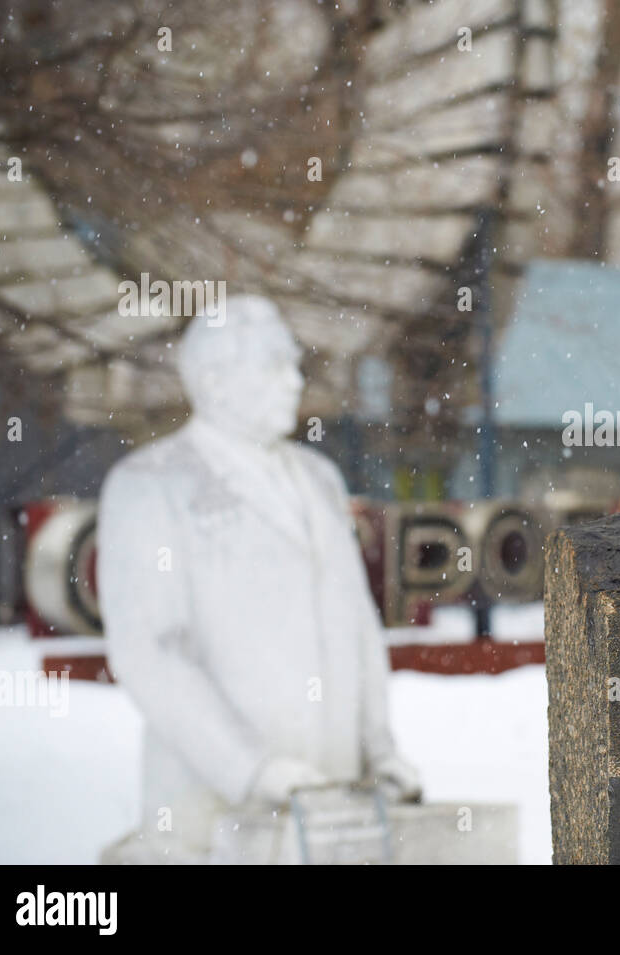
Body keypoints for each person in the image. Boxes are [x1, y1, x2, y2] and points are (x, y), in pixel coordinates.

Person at [97, 294, 420, 862]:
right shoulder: (151, 485)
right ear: (216, 381)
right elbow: (150, 651)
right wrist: (252, 768)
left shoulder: (320, 478)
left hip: (331, 818)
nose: (295, 383)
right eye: (275, 366)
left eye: (295, 365)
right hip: (212, 823)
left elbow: (356, 626)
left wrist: (379, 750)